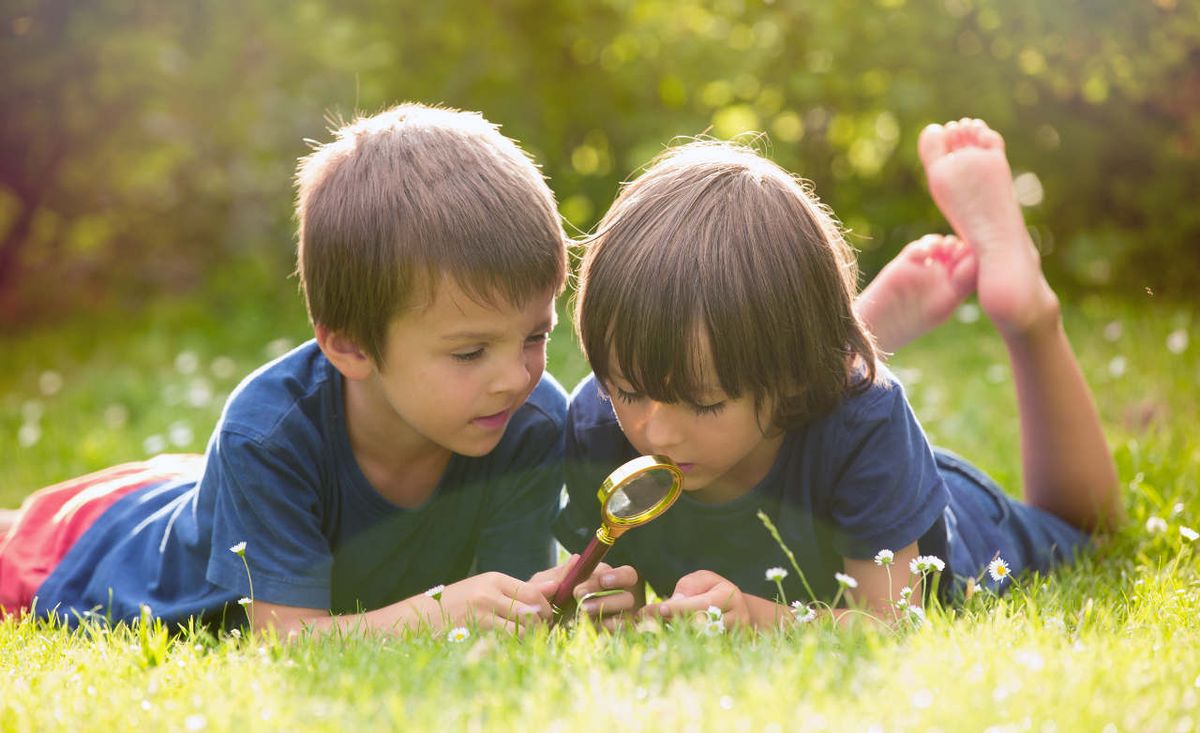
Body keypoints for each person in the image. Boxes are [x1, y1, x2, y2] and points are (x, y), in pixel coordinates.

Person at [0, 103, 635, 635]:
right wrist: (441, 609)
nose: (514, 377)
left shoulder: (532, 421)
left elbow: (510, 607)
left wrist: (560, 597)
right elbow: (287, 640)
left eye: (535, 335)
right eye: (470, 352)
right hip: (104, 551)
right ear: (352, 346)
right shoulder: (267, 433)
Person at [555, 119, 1122, 628]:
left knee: (1090, 528)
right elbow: (619, 608)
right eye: (626, 390)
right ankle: (849, 333)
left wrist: (756, 618)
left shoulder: (865, 422)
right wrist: (616, 611)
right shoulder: (597, 424)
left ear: (792, 381)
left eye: (703, 403)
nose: (655, 433)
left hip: (945, 521)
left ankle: (1029, 317)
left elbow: (891, 626)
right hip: (808, 409)